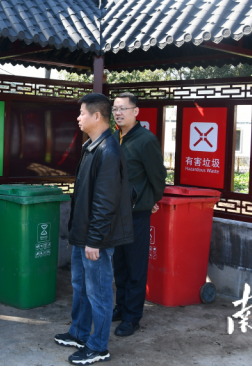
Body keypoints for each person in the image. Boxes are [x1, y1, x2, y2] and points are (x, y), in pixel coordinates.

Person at [54, 93, 134, 365]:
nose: (78, 118)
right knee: (80, 287)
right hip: (83, 236)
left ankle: (98, 346)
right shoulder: (93, 146)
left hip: (95, 239)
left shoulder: (108, 150)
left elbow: (105, 202)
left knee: (98, 292)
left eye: (82, 113)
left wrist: (95, 241)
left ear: (97, 116)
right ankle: (78, 333)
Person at [111, 92, 166, 337]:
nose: (118, 113)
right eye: (115, 109)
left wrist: (150, 200)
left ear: (136, 111)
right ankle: (121, 307)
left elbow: (157, 176)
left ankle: (133, 317)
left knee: (135, 266)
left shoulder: (145, 140)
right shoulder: (114, 138)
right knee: (119, 264)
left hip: (136, 214)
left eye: (123, 108)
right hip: (115, 213)